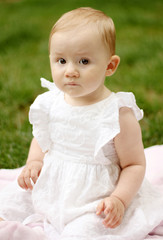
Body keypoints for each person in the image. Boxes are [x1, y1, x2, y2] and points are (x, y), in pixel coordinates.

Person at [0, 7, 163, 240]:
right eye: (61, 60)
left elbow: (134, 165)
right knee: (12, 199)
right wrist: (34, 161)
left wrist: (118, 199)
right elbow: (43, 138)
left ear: (110, 66)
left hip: (96, 198)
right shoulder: (51, 102)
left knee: (84, 232)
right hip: (53, 185)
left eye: (83, 61)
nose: (70, 71)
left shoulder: (117, 115)